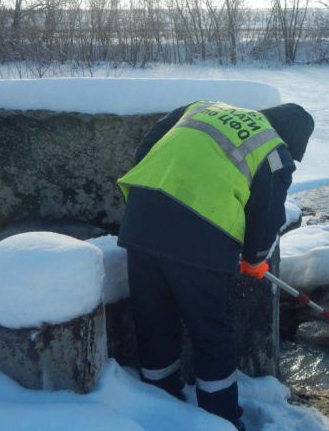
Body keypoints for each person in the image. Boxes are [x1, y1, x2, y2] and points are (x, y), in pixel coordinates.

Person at [116, 101, 314, 429]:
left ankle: (160, 408)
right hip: (200, 239)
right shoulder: (274, 150)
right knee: (212, 334)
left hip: (141, 222)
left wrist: (158, 198)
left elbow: (146, 149)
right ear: (291, 140)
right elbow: (266, 215)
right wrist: (255, 259)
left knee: (154, 320)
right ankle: (220, 419)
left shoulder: (203, 107)